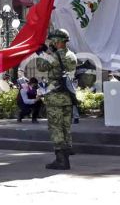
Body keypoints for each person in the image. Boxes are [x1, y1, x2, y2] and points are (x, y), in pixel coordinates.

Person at [36, 29, 77, 170]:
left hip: (55, 97)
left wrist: (42, 53)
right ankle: (67, 154)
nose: (51, 43)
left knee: (56, 128)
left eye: (52, 40)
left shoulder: (54, 56)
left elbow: (41, 67)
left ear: (57, 41)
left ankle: (61, 160)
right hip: (67, 97)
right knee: (66, 127)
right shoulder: (72, 55)